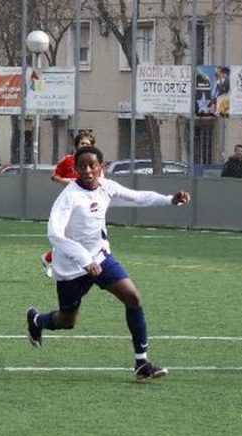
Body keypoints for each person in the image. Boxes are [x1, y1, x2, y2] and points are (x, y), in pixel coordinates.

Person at [25, 145, 191, 382]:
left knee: (132, 297)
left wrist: (170, 200)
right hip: (72, 268)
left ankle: (141, 363)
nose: (88, 170)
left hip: (101, 258)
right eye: (82, 166)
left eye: (92, 165)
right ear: (75, 169)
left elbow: (137, 197)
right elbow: (54, 234)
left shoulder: (107, 186)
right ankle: (36, 320)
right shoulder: (69, 196)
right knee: (67, 320)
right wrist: (84, 259)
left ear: (100, 167)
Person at [39, 129, 96, 277]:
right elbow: (54, 176)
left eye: (87, 144)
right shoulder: (68, 160)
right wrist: (65, 180)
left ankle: (49, 258)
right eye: (82, 143)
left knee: (83, 237)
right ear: (77, 145)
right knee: (66, 237)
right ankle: (51, 259)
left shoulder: (94, 162)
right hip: (70, 203)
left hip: (87, 204)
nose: (84, 146)